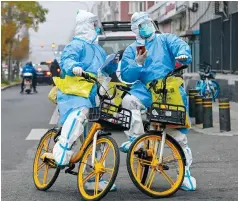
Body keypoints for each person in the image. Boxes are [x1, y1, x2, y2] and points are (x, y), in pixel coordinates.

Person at [119, 12, 196, 191]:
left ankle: (184, 174)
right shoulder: (133, 49)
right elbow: (126, 75)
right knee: (129, 101)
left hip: (167, 90)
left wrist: (182, 55)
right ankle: (135, 140)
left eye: (147, 23)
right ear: (135, 30)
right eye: (141, 25)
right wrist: (137, 63)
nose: (146, 26)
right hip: (145, 89)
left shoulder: (166, 40)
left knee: (177, 136)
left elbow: (180, 46)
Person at [45, 10, 117, 191]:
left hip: (94, 94)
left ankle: (94, 177)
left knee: (93, 138)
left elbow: (104, 70)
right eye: (93, 24)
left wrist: (114, 65)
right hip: (75, 94)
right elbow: (67, 60)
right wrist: (74, 67)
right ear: (85, 25)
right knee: (79, 115)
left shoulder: (99, 49)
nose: (96, 28)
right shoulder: (75, 45)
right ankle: (62, 148)